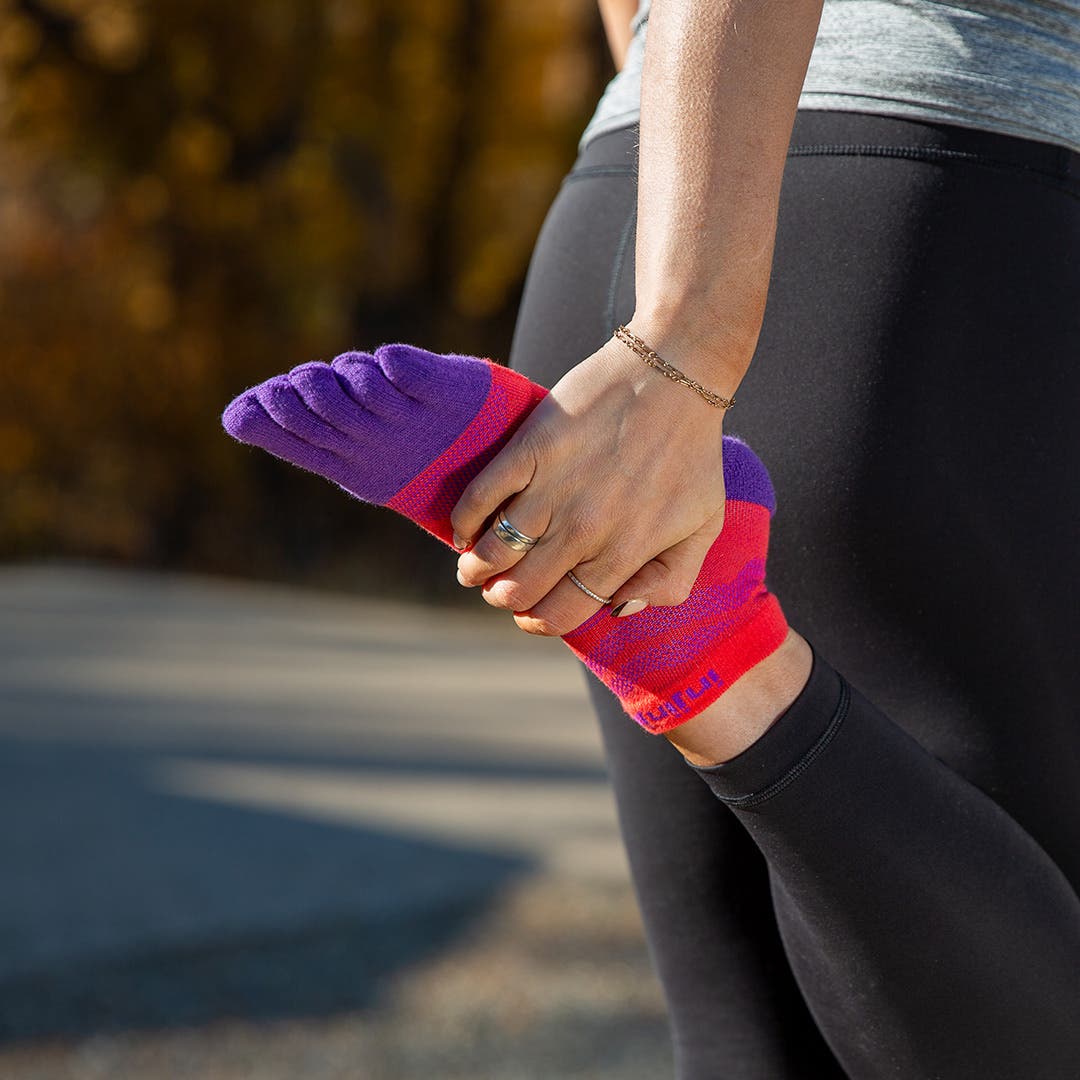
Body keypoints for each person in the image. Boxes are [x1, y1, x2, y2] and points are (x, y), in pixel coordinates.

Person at [224, 1, 1080, 1076]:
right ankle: (725, 664)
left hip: (641, 204)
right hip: (932, 243)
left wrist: (673, 314)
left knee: (748, 1036)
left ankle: (719, 668)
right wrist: (680, 343)